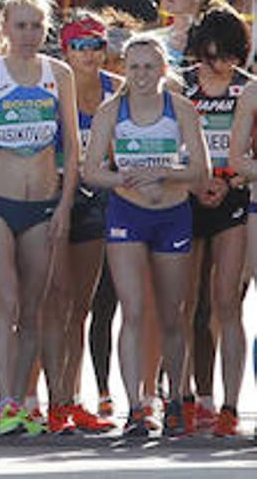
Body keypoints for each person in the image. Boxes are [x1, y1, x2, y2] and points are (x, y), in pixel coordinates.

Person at [0, 0, 80, 437]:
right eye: (20, 25)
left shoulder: (59, 74)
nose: (29, 34)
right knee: (5, 301)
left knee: (32, 308)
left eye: (36, 26)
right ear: (3, 29)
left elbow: (72, 143)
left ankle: (23, 401)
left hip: (44, 204)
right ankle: (6, 399)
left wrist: (65, 206)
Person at [82, 36, 207, 438]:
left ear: (163, 69)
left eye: (149, 67)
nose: (140, 75)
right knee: (132, 311)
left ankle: (172, 401)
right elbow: (91, 171)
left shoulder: (181, 109)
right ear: (123, 70)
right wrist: (123, 178)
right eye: (133, 67)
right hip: (127, 214)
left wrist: (165, 174)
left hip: (172, 215)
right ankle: (135, 407)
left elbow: (200, 171)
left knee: (172, 314)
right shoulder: (111, 110)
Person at [177, 7, 249, 437]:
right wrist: (195, 182)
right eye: (210, 57)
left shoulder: (249, 89)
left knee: (226, 304)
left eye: (227, 57)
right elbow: (167, 142)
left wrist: (228, 179)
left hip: (233, 196)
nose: (219, 66)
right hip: (187, 195)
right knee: (184, 305)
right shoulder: (181, 84)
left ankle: (229, 406)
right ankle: (183, 399)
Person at [48, 15, 119, 435]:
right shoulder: (54, 87)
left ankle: (71, 400)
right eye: (81, 46)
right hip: (53, 196)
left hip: (97, 200)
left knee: (80, 307)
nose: (90, 53)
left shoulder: (116, 89)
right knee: (51, 303)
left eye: (96, 45)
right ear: (66, 51)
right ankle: (49, 397)